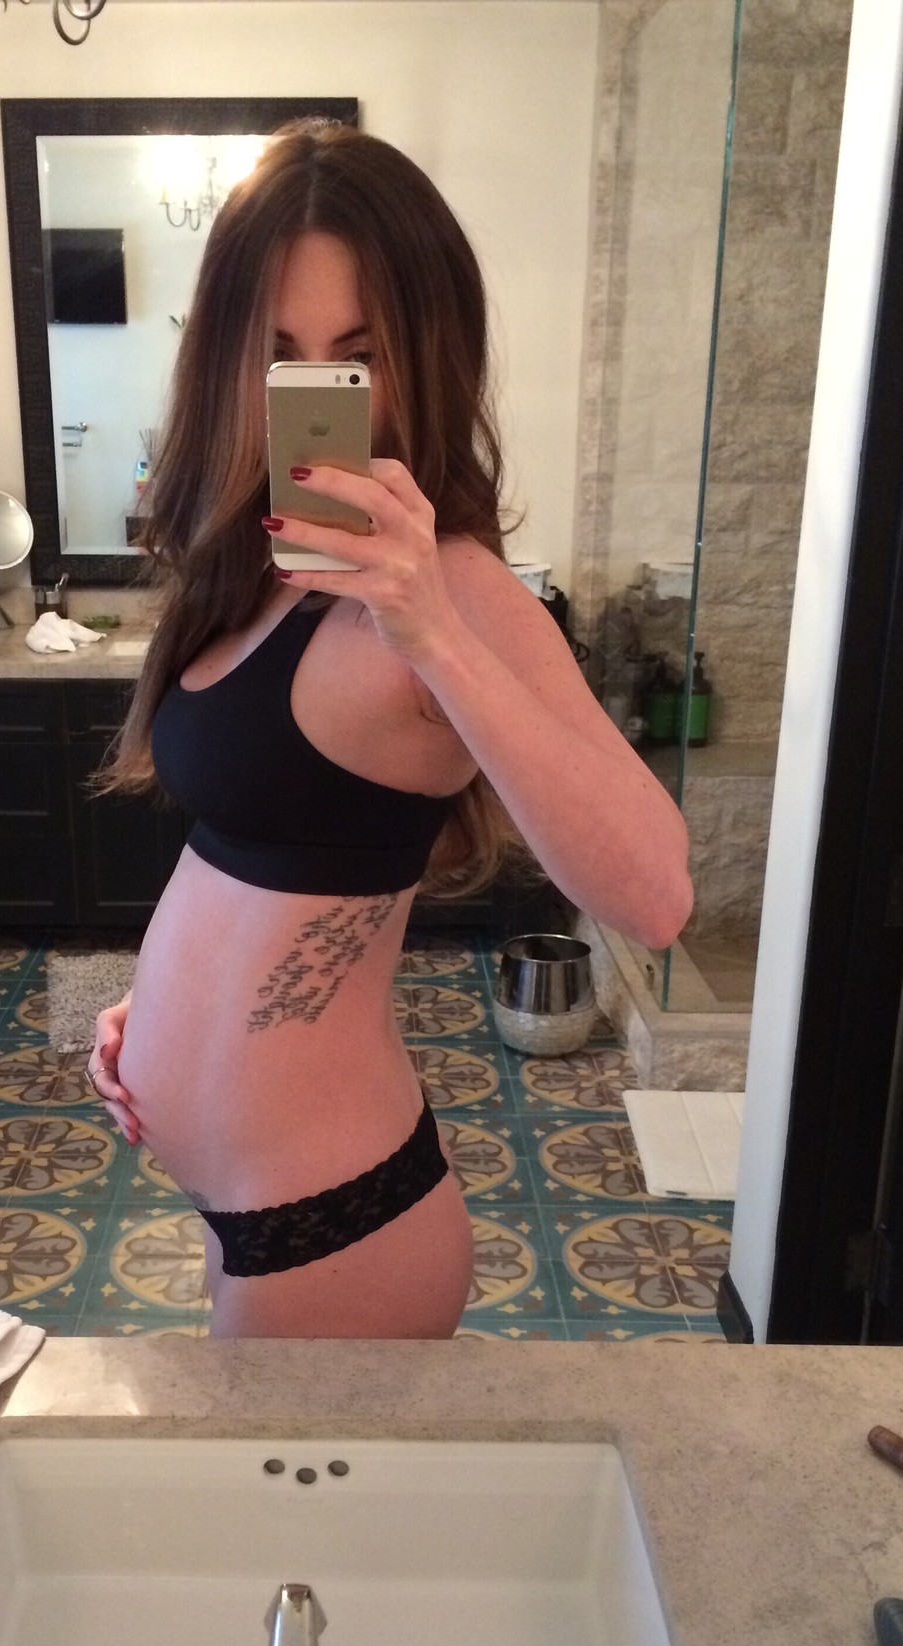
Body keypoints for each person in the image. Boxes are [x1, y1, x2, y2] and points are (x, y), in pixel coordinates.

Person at [87, 121, 691, 1339]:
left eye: (356, 357)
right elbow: (257, 865)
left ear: (423, 352)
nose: (317, 394)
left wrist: (431, 631)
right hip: (243, 1200)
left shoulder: (454, 586)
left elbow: (656, 894)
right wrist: (159, 1012)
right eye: (280, 354)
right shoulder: (254, 566)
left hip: (334, 1224)